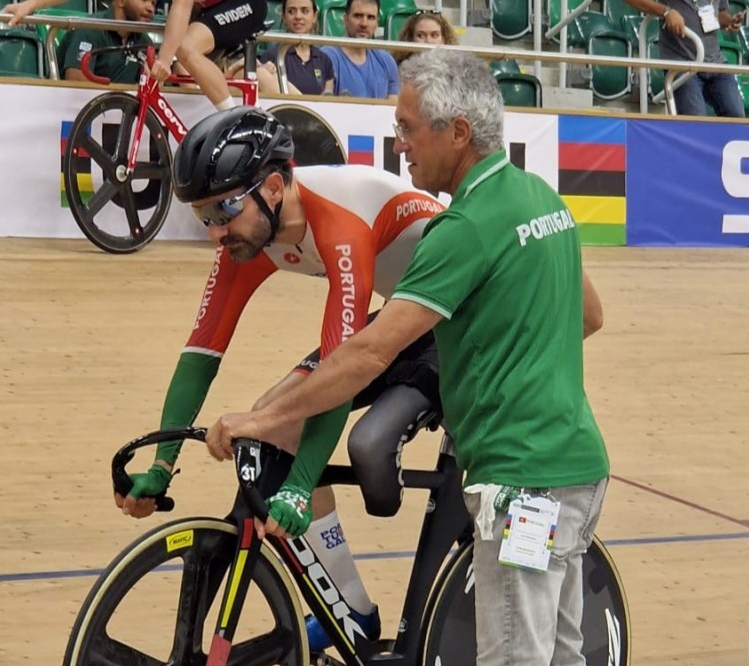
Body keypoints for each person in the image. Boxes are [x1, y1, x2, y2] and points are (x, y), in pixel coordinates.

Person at [207, 48, 610, 666]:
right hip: (576, 468)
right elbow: (587, 317)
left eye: (408, 127)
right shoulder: (542, 200)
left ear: (457, 133)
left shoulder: (465, 227)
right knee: (560, 655)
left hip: (521, 482)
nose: (400, 145)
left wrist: (261, 422)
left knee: (515, 657)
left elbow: (368, 353)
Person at [112, 105, 448, 651]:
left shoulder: (340, 220)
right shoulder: (250, 233)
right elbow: (202, 351)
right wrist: (161, 464)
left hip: (463, 327)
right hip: (403, 318)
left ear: (271, 186)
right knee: (271, 424)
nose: (217, 233)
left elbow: (344, 368)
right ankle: (353, 610)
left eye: (224, 211)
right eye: (205, 218)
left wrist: (297, 486)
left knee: (348, 440)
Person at [3, 0, 266, 111]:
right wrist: (31, 5)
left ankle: (234, 121)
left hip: (244, 4)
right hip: (210, 8)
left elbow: (181, 8)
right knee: (183, 54)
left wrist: (164, 60)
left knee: (185, 49)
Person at [623, 0, 745, 117]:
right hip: (682, 62)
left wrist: (729, 20)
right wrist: (666, 11)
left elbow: (719, 13)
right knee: (695, 121)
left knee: (736, 115)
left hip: (715, 62)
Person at [57, 0, 156, 83]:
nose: (151, 9)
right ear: (121, 1)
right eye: (144, 0)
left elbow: (153, 86)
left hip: (123, 104)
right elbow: (76, 82)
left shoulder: (145, 42)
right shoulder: (89, 28)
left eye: (153, 3)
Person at [321, 0, 399, 99]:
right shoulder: (326, 58)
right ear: (345, 19)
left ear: (377, 23)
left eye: (370, 17)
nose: (364, 24)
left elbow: (391, 108)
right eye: (358, 16)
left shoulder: (387, 61)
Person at [258, 0, 335, 95]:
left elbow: (328, 101)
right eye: (291, 11)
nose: (298, 16)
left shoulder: (324, 60)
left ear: (314, 16)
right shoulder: (271, 57)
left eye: (305, 11)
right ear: (284, 17)